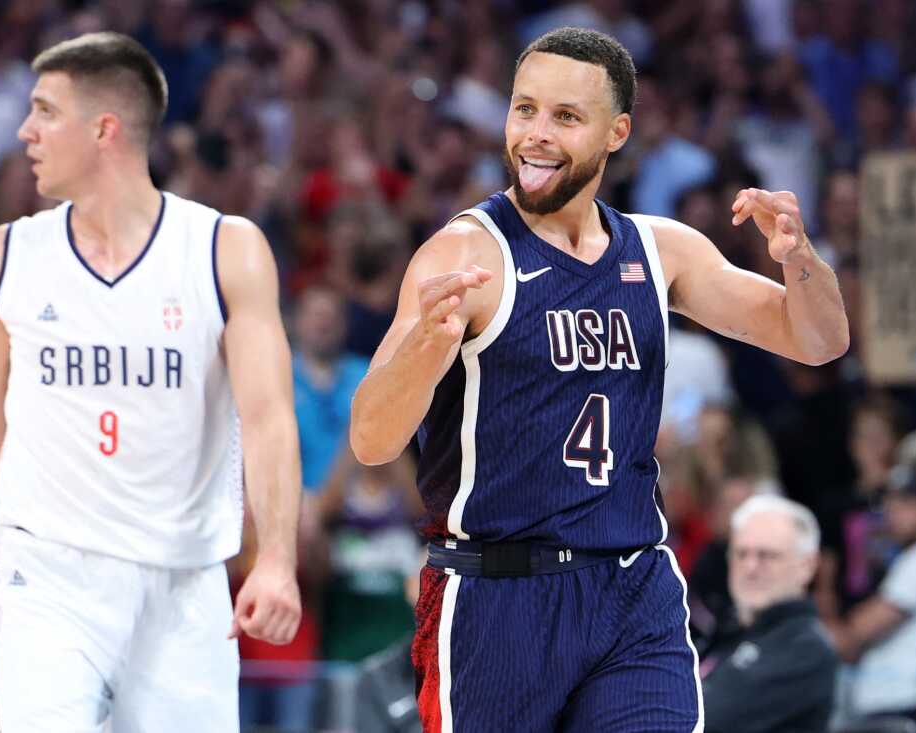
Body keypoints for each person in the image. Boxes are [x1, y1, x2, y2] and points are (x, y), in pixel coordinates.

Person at [350, 27, 849, 732]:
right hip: (500, 592)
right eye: (524, 109)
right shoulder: (465, 253)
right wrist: (420, 354)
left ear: (617, 132)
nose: (536, 135)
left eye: (565, 116)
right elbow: (372, 440)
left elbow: (820, 340)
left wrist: (801, 260)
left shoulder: (659, 248)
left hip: (630, 585)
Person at [0, 32, 302, 732]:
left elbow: (271, 416)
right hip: (45, 572)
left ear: (105, 129)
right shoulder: (8, 254)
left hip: (184, 581)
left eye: (44, 111)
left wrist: (277, 556)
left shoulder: (224, 249)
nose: (23, 129)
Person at [828, 461, 916, 733]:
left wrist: (822, 587)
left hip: (908, 706)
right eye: (891, 500)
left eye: (907, 501)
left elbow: (853, 635)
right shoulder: (915, 555)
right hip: (894, 706)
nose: (892, 510)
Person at [701, 495, 838, 733]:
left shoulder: (806, 648)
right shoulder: (725, 632)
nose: (750, 567)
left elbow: (707, 718)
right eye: (741, 554)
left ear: (807, 566)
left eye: (767, 555)